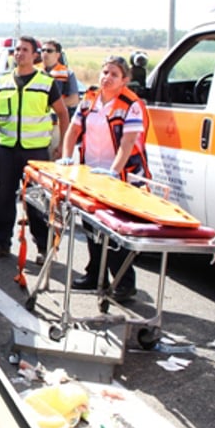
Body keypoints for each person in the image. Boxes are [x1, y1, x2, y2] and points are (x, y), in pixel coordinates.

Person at [59, 55, 149, 302]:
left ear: (125, 80)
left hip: (120, 176)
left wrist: (114, 172)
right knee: (91, 227)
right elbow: (74, 130)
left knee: (114, 232)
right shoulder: (90, 98)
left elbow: (128, 143)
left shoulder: (131, 104)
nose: (107, 78)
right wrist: (67, 157)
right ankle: (94, 274)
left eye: (114, 74)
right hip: (91, 172)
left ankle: (124, 282)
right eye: (105, 72)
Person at [0, 36, 68, 260]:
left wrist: (61, 146)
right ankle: (0, 243)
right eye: (17, 49)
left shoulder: (45, 82)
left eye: (25, 50)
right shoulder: (4, 81)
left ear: (35, 54)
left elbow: (63, 113)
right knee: (2, 198)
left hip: (36, 152)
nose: (20, 53)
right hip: (7, 150)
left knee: (37, 200)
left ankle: (43, 248)